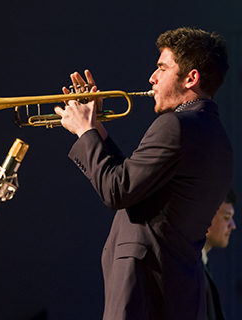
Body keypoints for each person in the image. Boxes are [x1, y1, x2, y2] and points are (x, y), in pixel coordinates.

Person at [54, 27, 234, 319]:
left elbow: (116, 191)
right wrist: (97, 128)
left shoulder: (175, 125)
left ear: (191, 78)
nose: (152, 77)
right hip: (177, 292)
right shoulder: (218, 139)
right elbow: (135, 184)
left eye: (162, 67)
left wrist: (84, 131)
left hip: (143, 290)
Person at [203, 189, 237, 320]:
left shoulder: (203, 264)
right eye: (226, 218)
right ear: (206, 218)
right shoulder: (188, 269)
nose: (233, 225)